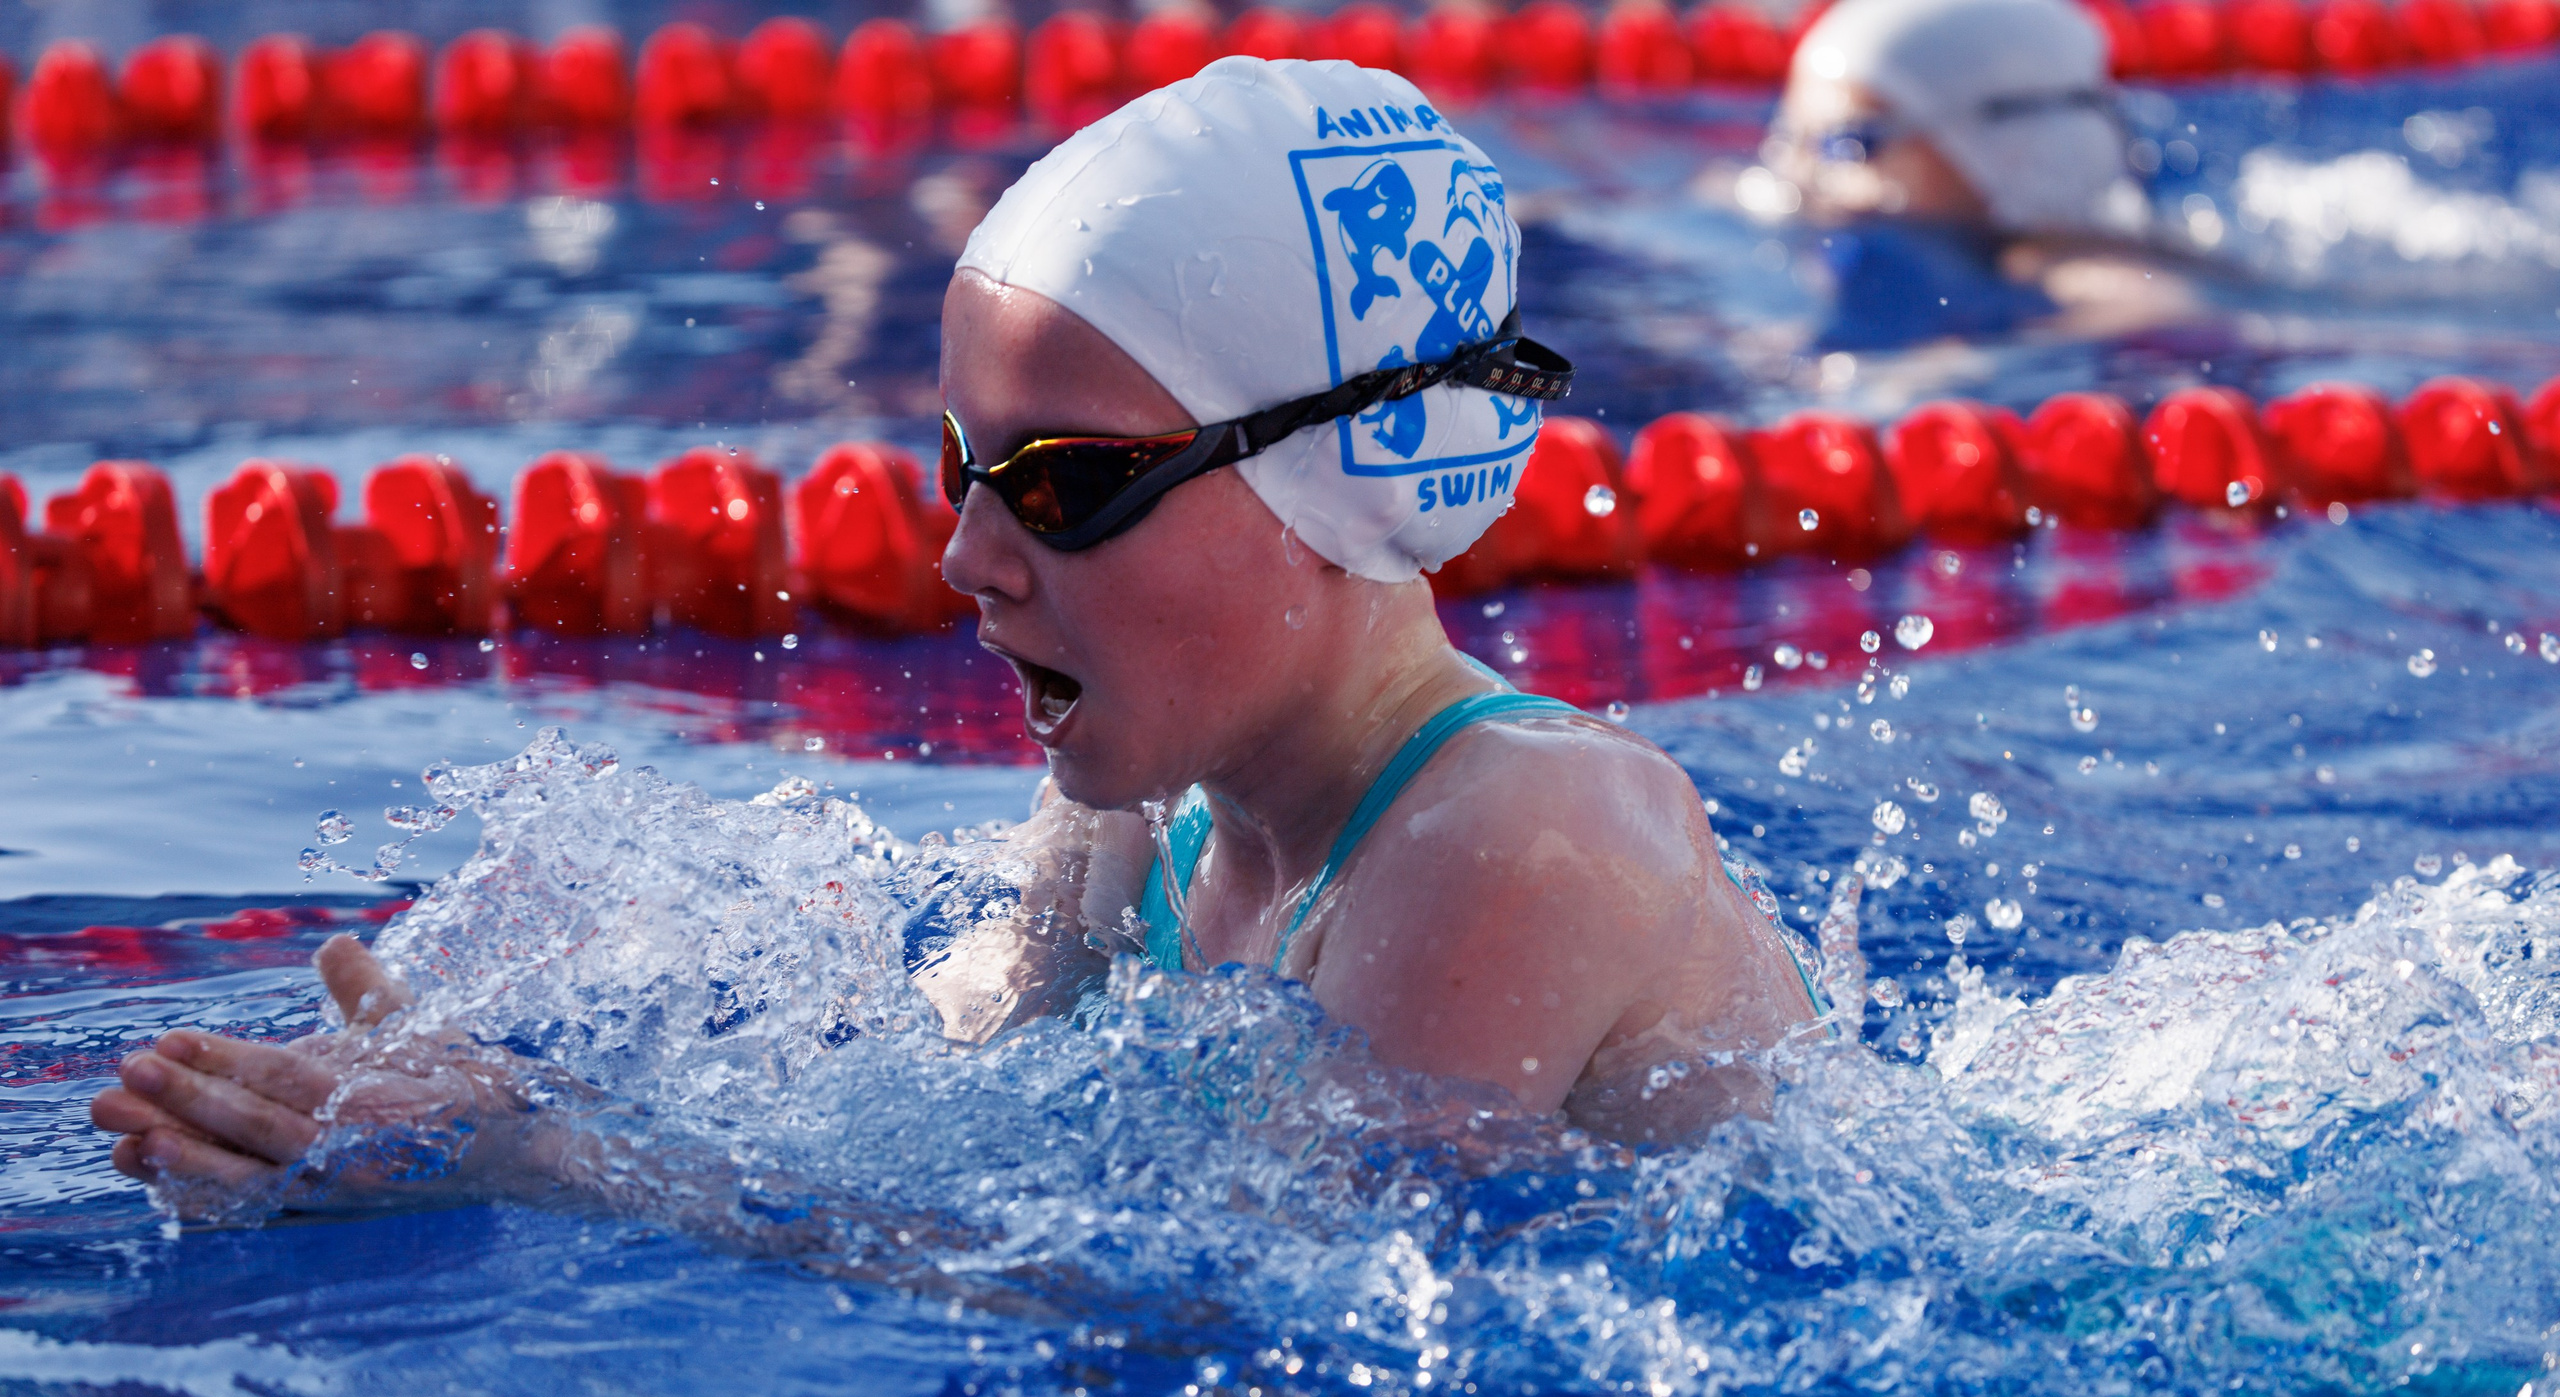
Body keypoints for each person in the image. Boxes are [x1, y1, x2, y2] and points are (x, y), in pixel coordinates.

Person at [94, 58, 1819, 1215]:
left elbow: (1264, 1312)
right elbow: (942, 1126)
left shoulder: (1515, 836)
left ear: (1325, 478)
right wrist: (444, 1080)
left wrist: (551, 1162)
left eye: (1063, 484)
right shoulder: (1136, 812)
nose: (964, 553)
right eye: (960, 464)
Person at [1752, 0, 2192, 348]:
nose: (1799, 173)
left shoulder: (2089, 275)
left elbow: (2161, 313)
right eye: (1793, 138)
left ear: (2003, 152)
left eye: (1846, 144)